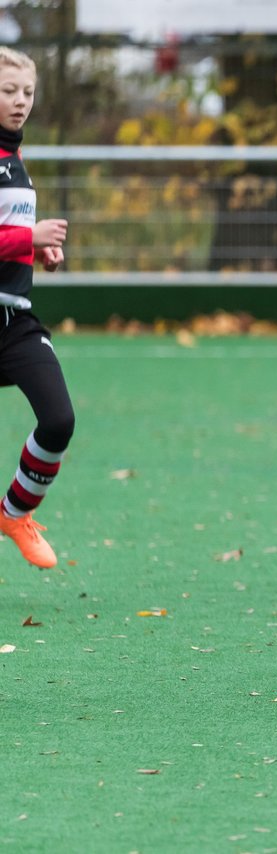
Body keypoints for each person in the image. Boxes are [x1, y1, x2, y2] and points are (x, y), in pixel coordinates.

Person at [0, 48, 71, 571]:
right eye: (8, 92)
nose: (19, 102)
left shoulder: (17, 161)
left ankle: (13, 513)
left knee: (58, 419)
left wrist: (38, 249)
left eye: (26, 92)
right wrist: (28, 236)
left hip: (14, 320)